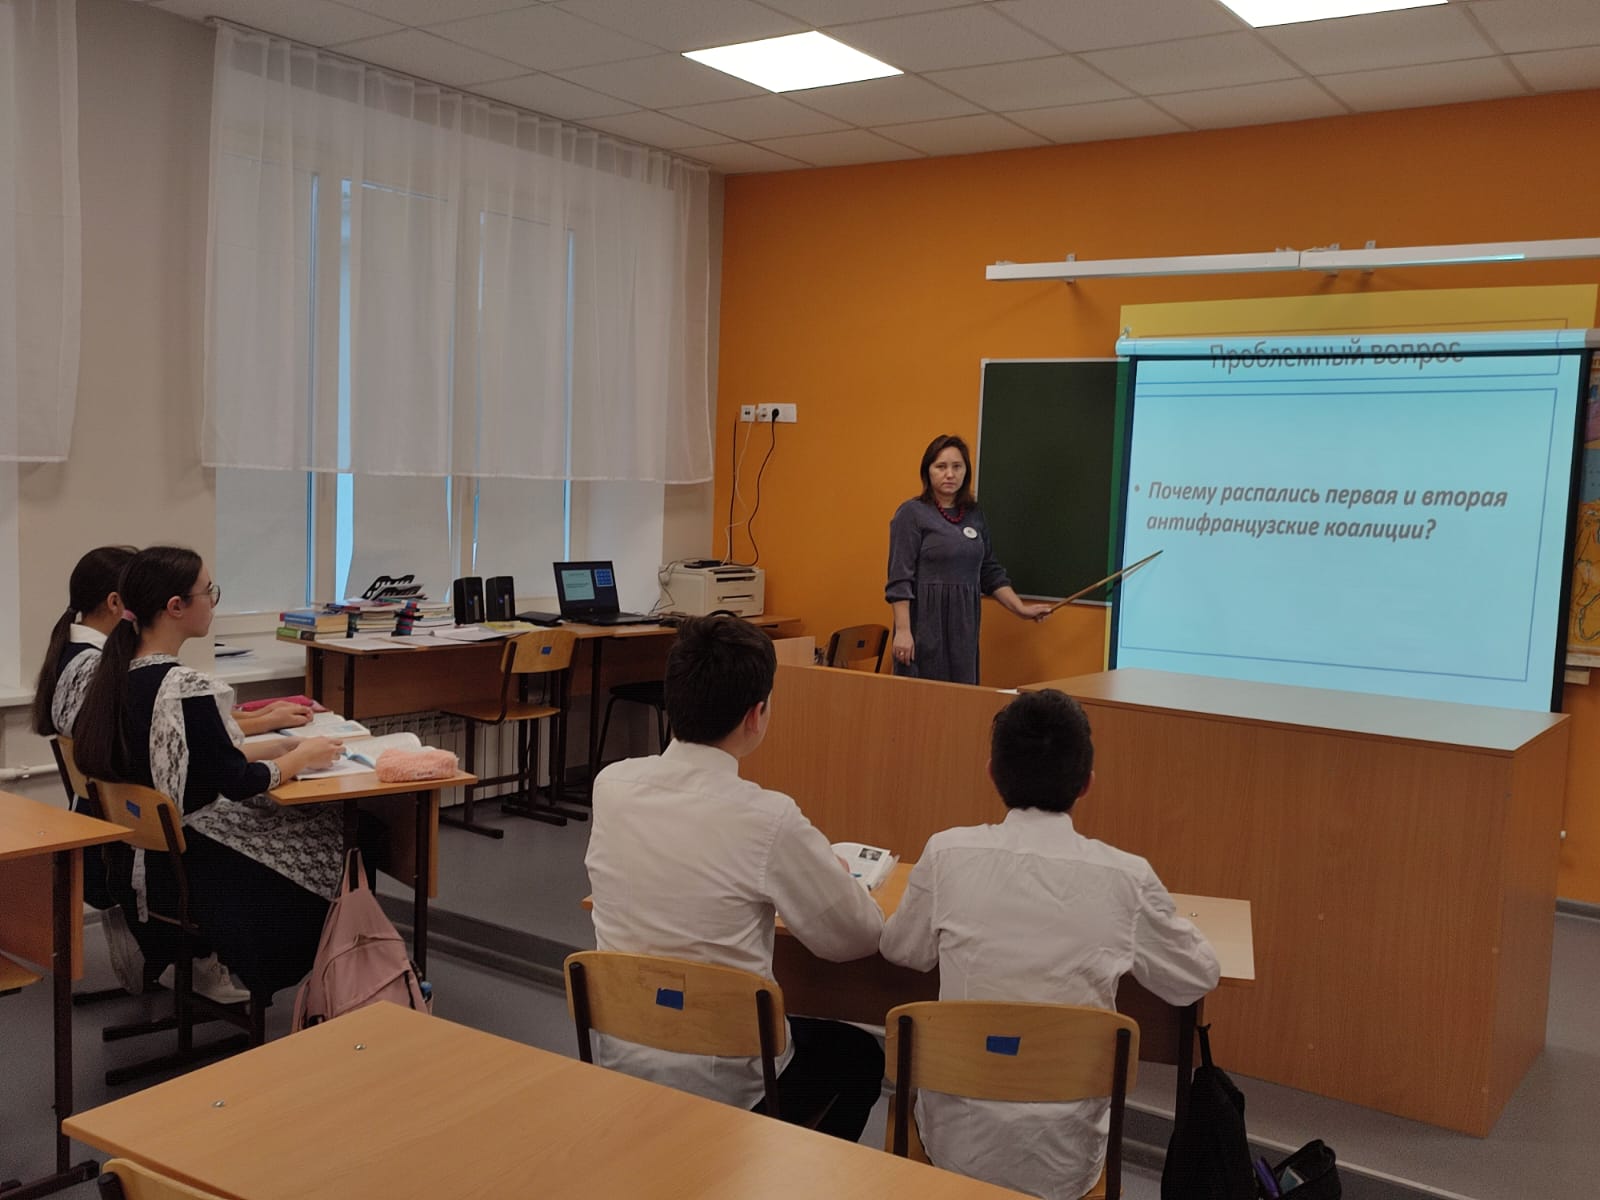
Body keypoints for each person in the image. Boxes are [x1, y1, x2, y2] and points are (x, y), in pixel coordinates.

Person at [880, 689, 1220, 1200]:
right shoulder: (1126, 878)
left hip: (954, 1148)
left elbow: (901, 950)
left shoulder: (947, 852)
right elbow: (1196, 977)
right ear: (1087, 784)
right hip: (1067, 1165)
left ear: (992, 772)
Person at [585, 614, 886, 1141]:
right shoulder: (768, 818)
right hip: (730, 1082)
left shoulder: (611, 786)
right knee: (860, 1054)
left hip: (621, 1056)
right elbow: (853, 937)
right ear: (756, 714)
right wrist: (835, 874)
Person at [73, 546, 352, 1001]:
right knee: (339, 830)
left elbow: (199, 759)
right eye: (209, 592)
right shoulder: (186, 688)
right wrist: (302, 757)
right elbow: (238, 782)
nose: (213, 602)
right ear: (176, 607)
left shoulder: (116, 675)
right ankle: (340, 970)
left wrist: (284, 748)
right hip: (193, 869)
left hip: (140, 863)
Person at [31, 545, 153, 991]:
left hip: (100, 818)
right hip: (124, 823)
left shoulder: (70, 651)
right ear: (116, 603)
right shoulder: (98, 666)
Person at [886, 434, 1051, 684]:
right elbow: (899, 578)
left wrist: (1020, 609)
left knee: (961, 698)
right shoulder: (911, 513)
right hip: (924, 627)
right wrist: (903, 631)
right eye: (941, 466)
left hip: (964, 628)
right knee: (921, 699)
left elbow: (989, 571)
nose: (949, 474)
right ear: (927, 471)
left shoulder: (974, 514)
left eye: (957, 466)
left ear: (966, 471)